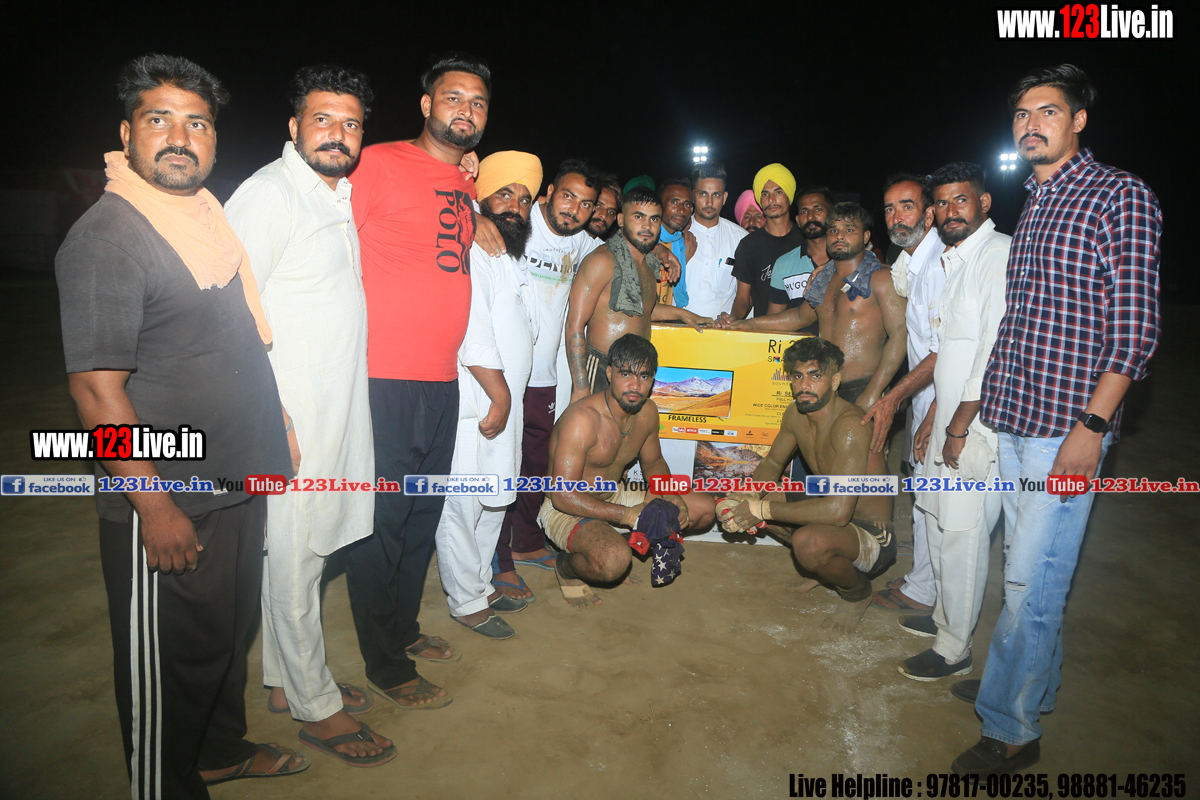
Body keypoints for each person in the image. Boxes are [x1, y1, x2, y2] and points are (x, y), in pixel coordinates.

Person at [56, 54, 305, 797]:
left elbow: (237, 337)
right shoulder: (110, 238)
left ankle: (219, 750)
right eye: (158, 119)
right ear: (126, 132)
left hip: (237, 478)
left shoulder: (205, 220)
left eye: (196, 123)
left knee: (223, 640)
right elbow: (96, 391)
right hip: (171, 497)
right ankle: (164, 782)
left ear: (214, 138)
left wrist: (275, 422)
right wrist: (155, 507)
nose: (178, 137)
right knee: (170, 662)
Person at [951, 65, 1162, 776]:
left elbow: (1134, 331)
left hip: (1064, 429)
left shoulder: (1119, 195)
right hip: (1016, 414)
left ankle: (1011, 727)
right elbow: (1025, 321)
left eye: (1047, 111)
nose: (1030, 124)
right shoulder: (1037, 199)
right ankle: (1026, 684)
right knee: (1029, 569)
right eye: (1021, 114)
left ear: (1078, 121)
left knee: (1030, 583)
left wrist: (1091, 430)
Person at [224, 65, 394, 767]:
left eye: (351, 123)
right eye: (322, 119)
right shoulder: (268, 195)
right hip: (290, 421)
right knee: (295, 558)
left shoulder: (338, 194)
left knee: (311, 552)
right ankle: (316, 707)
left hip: (336, 413)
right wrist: (275, 419)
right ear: (293, 126)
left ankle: (281, 680)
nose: (337, 133)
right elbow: (230, 315)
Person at [344, 52, 499, 712]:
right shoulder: (375, 164)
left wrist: (478, 200)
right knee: (382, 523)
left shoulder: (466, 181)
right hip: (384, 379)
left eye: (478, 102)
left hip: (442, 380)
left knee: (419, 517)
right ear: (427, 104)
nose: (466, 109)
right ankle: (384, 663)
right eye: (453, 97)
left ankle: (403, 628)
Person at [899, 163, 1011, 682]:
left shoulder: (996, 255)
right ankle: (945, 618)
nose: (949, 212)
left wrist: (960, 425)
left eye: (960, 200)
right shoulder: (955, 260)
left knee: (963, 533)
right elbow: (949, 353)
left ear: (983, 203)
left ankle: (954, 648)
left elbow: (992, 352)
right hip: (948, 418)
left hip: (977, 425)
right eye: (941, 203)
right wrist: (934, 418)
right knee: (938, 520)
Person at [717, 338, 895, 634]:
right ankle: (823, 568)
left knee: (808, 543)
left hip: (872, 533)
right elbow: (773, 463)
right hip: (832, 508)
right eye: (798, 376)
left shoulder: (849, 425)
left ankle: (857, 594)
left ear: (834, 381)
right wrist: (748, 497)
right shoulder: (795, 414)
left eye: (815, 376)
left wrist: (760, 510)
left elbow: (838, 512)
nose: (804, 385)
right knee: (748, 501)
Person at [435, 151, 544, 634]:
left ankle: (479, 584)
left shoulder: (510, 257)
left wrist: (508, 401)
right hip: (476, 403)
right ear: (480, 197)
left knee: (495, 499)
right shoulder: (472, 251)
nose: (515, 207)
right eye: (505, 194)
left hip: (505, 403)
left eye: (524, 199)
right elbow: (472, 331)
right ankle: (464, 600)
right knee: (463, 504)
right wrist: (500, 398)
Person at [542, 334, 716, 606]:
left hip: (615, 494)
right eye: (626, 374)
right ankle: (566, 566)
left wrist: (671, 495)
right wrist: (625, 515)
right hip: (567, 508)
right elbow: (562, 496)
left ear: (653, 380)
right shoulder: (582, 420)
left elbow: (654, 463)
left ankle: (611, 543)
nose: (635, 386)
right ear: (609, 373)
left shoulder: (647, 412)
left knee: (703, 509)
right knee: (613, 562)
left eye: (644, 376)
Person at [498, 159, 604, 585]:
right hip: (501, 371)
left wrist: (663, 252)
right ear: (548, 194)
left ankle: (524, 541)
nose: (574, 210)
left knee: (535, 465)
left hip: (543, 376)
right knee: (499, 465)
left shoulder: (583, 242)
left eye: (586, 204)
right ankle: (494, 559)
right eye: (567, 197)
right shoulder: (517, 224)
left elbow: (620, 253)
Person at [718, 203, 908, 410]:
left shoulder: (882, 278)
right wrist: (745, 325)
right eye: (833, 230)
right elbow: (799, 317)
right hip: (825, 389)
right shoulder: (823, 279)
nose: (839, 236)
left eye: (849, 230)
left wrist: (874, 392)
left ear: (865, 237)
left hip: (864, 386)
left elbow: (900, 335)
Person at [862, 174, 943, 615]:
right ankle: (923, 581)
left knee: (938, 499)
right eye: (890, 208)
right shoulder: (908, 262)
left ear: (929, 214)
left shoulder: (938, 265)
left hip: (945, 397)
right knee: (925, 493)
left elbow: (945, 349)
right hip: (926, 394)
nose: (896, 217)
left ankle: (927, 592)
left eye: (907, 206)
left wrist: (894, 397)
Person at [564, 185, 709, 402]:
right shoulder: (601, 261)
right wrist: (581, 387)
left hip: (638, 369)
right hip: (602, 367)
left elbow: (643, 310)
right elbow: (574, 325)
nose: (647, 226)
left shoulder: (647, 265)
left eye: (654, 219)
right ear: (621, 220)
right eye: (639, 217)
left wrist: (683, 314)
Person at [730, 164, 805, 318]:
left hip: (807, 330)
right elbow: (743, 299)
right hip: (765, 330)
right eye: (765, 194)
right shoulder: (748, 245)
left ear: (789, 195)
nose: (771, 200)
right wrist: (733, 320)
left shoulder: (806, 239)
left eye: (778, 192)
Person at [684, 162, 748, 318]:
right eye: (703, 194)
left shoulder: (741, 239)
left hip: (721, 331)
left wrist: (731, 320)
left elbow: (745, 297)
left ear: (724, 198)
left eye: (716, 195)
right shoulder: (676, 234)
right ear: (693, 195)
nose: (709, 202)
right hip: (676, 328)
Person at [765, 186, 835, 325]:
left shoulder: (849, 260)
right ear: (798, 220)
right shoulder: (783, 264)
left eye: (817, 209)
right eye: (804, 211)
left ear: (832, 215)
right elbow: (774, 320)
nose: (810, 217)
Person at [655, 176, 698, 306]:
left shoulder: (681, 244)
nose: (681, 210)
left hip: (664, 317)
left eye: (687, 204)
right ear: (659, 204)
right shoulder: (645, 240)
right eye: (674, 202)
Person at [587, 172, 622, 239]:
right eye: (598, 206)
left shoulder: (602, 245)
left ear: (614, 218)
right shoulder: (566, 238)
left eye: (611, 212)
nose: (604, 216)